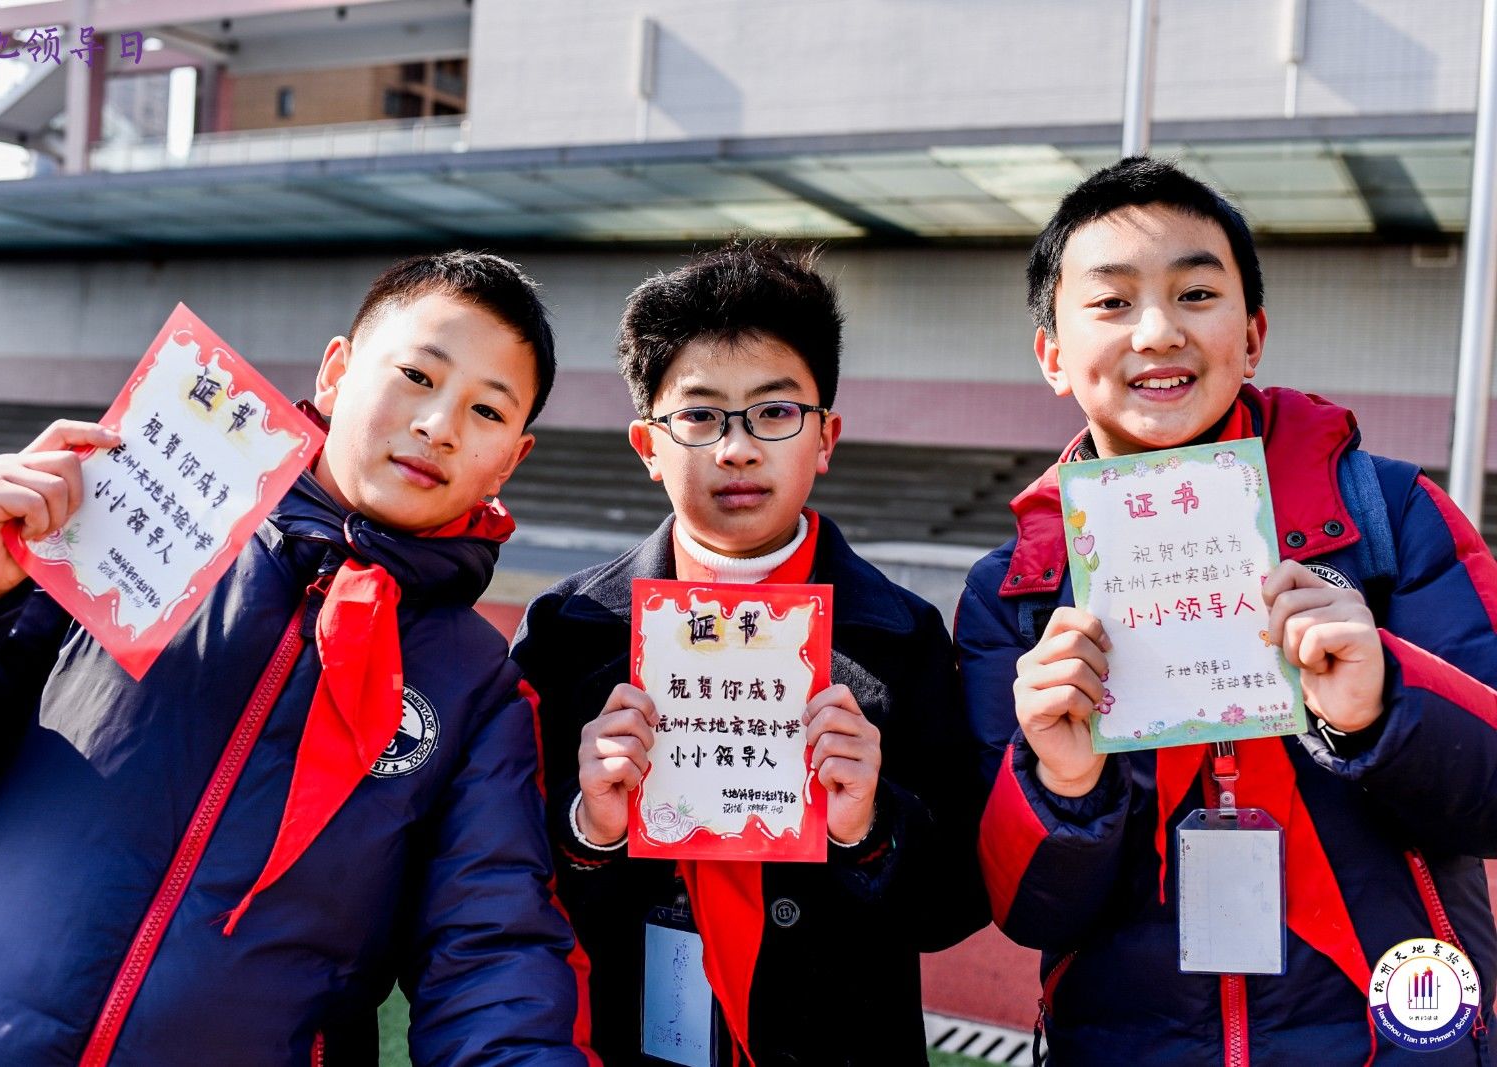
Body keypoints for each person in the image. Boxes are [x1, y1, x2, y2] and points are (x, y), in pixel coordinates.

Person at [0, 253, 593, 1066]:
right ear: (335, 373)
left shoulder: (479, 685)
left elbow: (489, 950)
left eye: (485, 410)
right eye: (415, 374)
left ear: (511, 459)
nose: (439, 424)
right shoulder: (130, 519)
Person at [956, 156, 1497, 1064]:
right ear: (1053, 354)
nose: (1159, 331)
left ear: (1251, 336)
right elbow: (1024, 910)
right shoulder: (1013, 588)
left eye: (1196, 293)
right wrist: (1060, 783)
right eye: (1113, 302)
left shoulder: (1388, 516)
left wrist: (1382, 702)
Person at [514, 239, 984, 1066]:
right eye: (698, 416)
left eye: (774, 412)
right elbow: (502, 880)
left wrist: (867, 826)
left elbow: (957, 904)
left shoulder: (902, 637)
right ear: (649, 446)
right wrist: (590, 824)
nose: (736, 448)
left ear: (826, 436)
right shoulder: (569, 630)